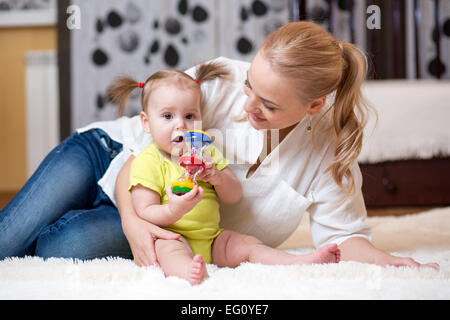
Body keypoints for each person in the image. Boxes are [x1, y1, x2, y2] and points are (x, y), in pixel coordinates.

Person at [0, 21, 438, 272]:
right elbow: (135, 153)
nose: (248, 106)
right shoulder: (222, 79)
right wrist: (133, 223)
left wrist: (389, 261)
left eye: (267, 104)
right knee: (9, 238)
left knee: (67, 247)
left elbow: (346, 238)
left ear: (314, 105)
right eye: (251, 87)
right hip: (107, 156)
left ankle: (73, 219)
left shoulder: (325, 151)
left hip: (171, 218)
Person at [109, 62, 340, 285]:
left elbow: (233, 195)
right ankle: (189, 272)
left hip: (212, 238)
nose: (181, 125)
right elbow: (144, 211)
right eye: (168, 116)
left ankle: (297, 262)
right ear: (146, 123)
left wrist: (218, 177)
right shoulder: (148, 160)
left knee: (247, 244)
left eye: (189, 116)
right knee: (168, 251)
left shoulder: (205, 152)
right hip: (173, 236)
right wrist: (174, 209)